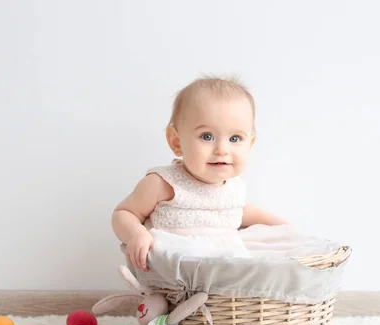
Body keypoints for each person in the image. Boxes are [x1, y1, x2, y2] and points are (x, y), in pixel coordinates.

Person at [112, 76, 288, 272]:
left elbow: (243, 212)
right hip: (174, 273)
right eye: (207, 136)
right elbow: (124, 213)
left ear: (250, 145)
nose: (222, 149)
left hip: (225, 276)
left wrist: (285, 227)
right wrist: (136, 234)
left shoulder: (234, 188)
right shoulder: (163, 184)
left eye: (235, 138)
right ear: (176, 142)